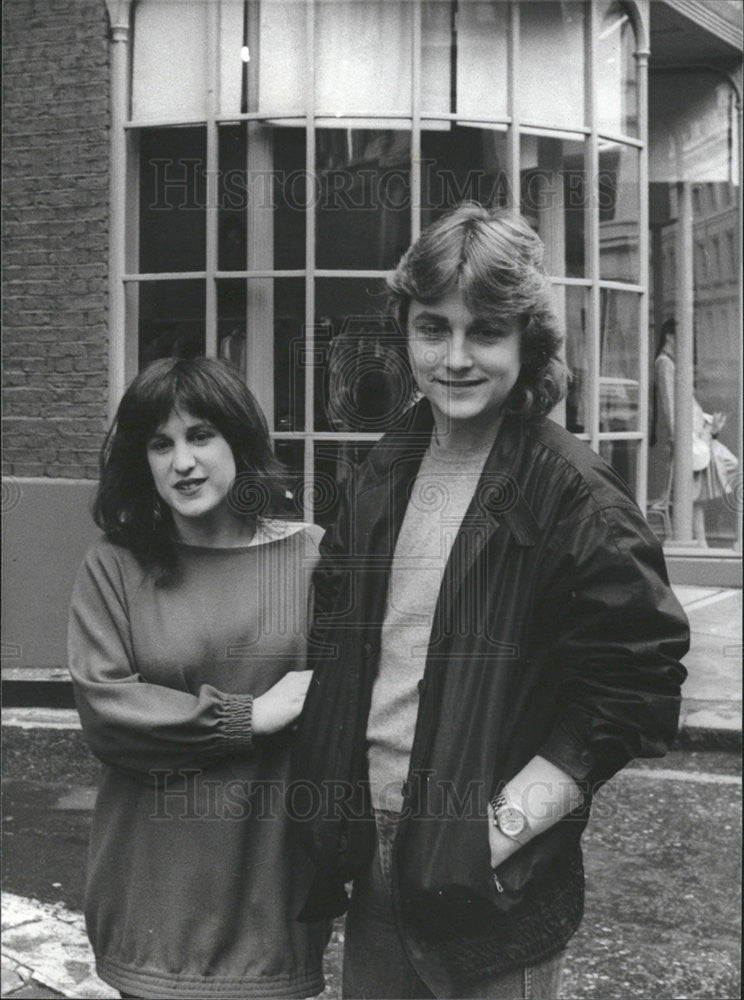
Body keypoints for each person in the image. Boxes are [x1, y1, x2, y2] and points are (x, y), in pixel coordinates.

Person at [291, 204, 690, 999]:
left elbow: (636, 685)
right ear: (405, 330)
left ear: (527, 341)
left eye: (486, 332)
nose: (456, 358)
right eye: (433, 329)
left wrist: (498, 832)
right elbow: (344, 643)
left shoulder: (572, 492)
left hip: (492, 904)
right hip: (377, 879)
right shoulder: (386, 468)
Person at [68, 357, 328, 1000]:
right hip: (152, 898)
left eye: (200, 435)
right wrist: (248, 716)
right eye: (161, 444)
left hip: (273, 899)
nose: (182, 461)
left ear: (239, 440)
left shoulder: (312, 557)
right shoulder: (115, 565)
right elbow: (107, 709)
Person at [653, 317, 739, 545]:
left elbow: (685, 404)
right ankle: (699, 544)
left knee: (696, 496)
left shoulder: (672, 363)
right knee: (696, 493)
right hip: (689, 439)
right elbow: (669, 404)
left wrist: (709, 425)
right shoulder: (665, 363)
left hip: (696, 437)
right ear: (671, 337)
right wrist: (678, 439)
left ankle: (702, 544)